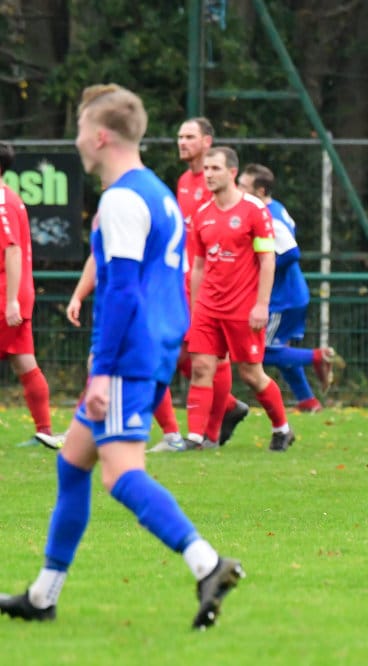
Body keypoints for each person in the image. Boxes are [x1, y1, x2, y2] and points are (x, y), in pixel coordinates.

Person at [0, 84, 243, 628]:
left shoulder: (122, 200)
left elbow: (125, 292)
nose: (76, 140)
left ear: (101, 136)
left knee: (119, 475)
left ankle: (207, 563)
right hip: (150, 348)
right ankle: (43, 595)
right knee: (72, 464)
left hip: (130, 357)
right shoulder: (155, 192)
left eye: (81, 129)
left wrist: (103, 370)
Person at [185, 147, 294, 452]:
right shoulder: (201, 214)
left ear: (232, 172)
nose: (208, 175)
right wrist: (195, 309)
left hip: (243, 308)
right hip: (208, 306)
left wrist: (261, 305)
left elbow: (267, 260)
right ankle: (195, 438)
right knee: (201, 367)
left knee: (251, 374)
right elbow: (199, 266)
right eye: (206, 169)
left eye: (215, 169)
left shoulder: (253, 210)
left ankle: (282, 428)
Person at [237, 163, 343, 412]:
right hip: (291, 294)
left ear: (260, 191)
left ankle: (317, 357)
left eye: (243, 186)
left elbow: (292, 252)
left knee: (262, 351)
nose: (238, 190)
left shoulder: (269, 216)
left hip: (281, 298)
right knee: (280, 348)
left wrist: (259, 267)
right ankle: (307, 401)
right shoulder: (274, 209)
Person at [171, 117, 249, 450]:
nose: (182, 142)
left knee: (215, 358)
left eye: (189, 136)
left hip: (214, 284)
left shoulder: (218, 184)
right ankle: (228, 406)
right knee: (181, 355)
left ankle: (211, 433)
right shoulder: (184, 182)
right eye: (180, 136)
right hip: (184, 278)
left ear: (207, 141)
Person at [67, 254, 186, 450]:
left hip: (132, 300)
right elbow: (96, 256)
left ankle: (170, 433)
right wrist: (78, 297)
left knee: (131, 365)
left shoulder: (128, 238)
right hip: (124, 299)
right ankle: (81, 428)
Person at [0, 142, 61, 450]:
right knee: (24, 362)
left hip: (5, 294)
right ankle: (45, 432)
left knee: (24, 362)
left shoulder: (2, 200)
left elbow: (11, 249)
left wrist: (11, 300)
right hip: (16, 293)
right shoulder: (9, 197)